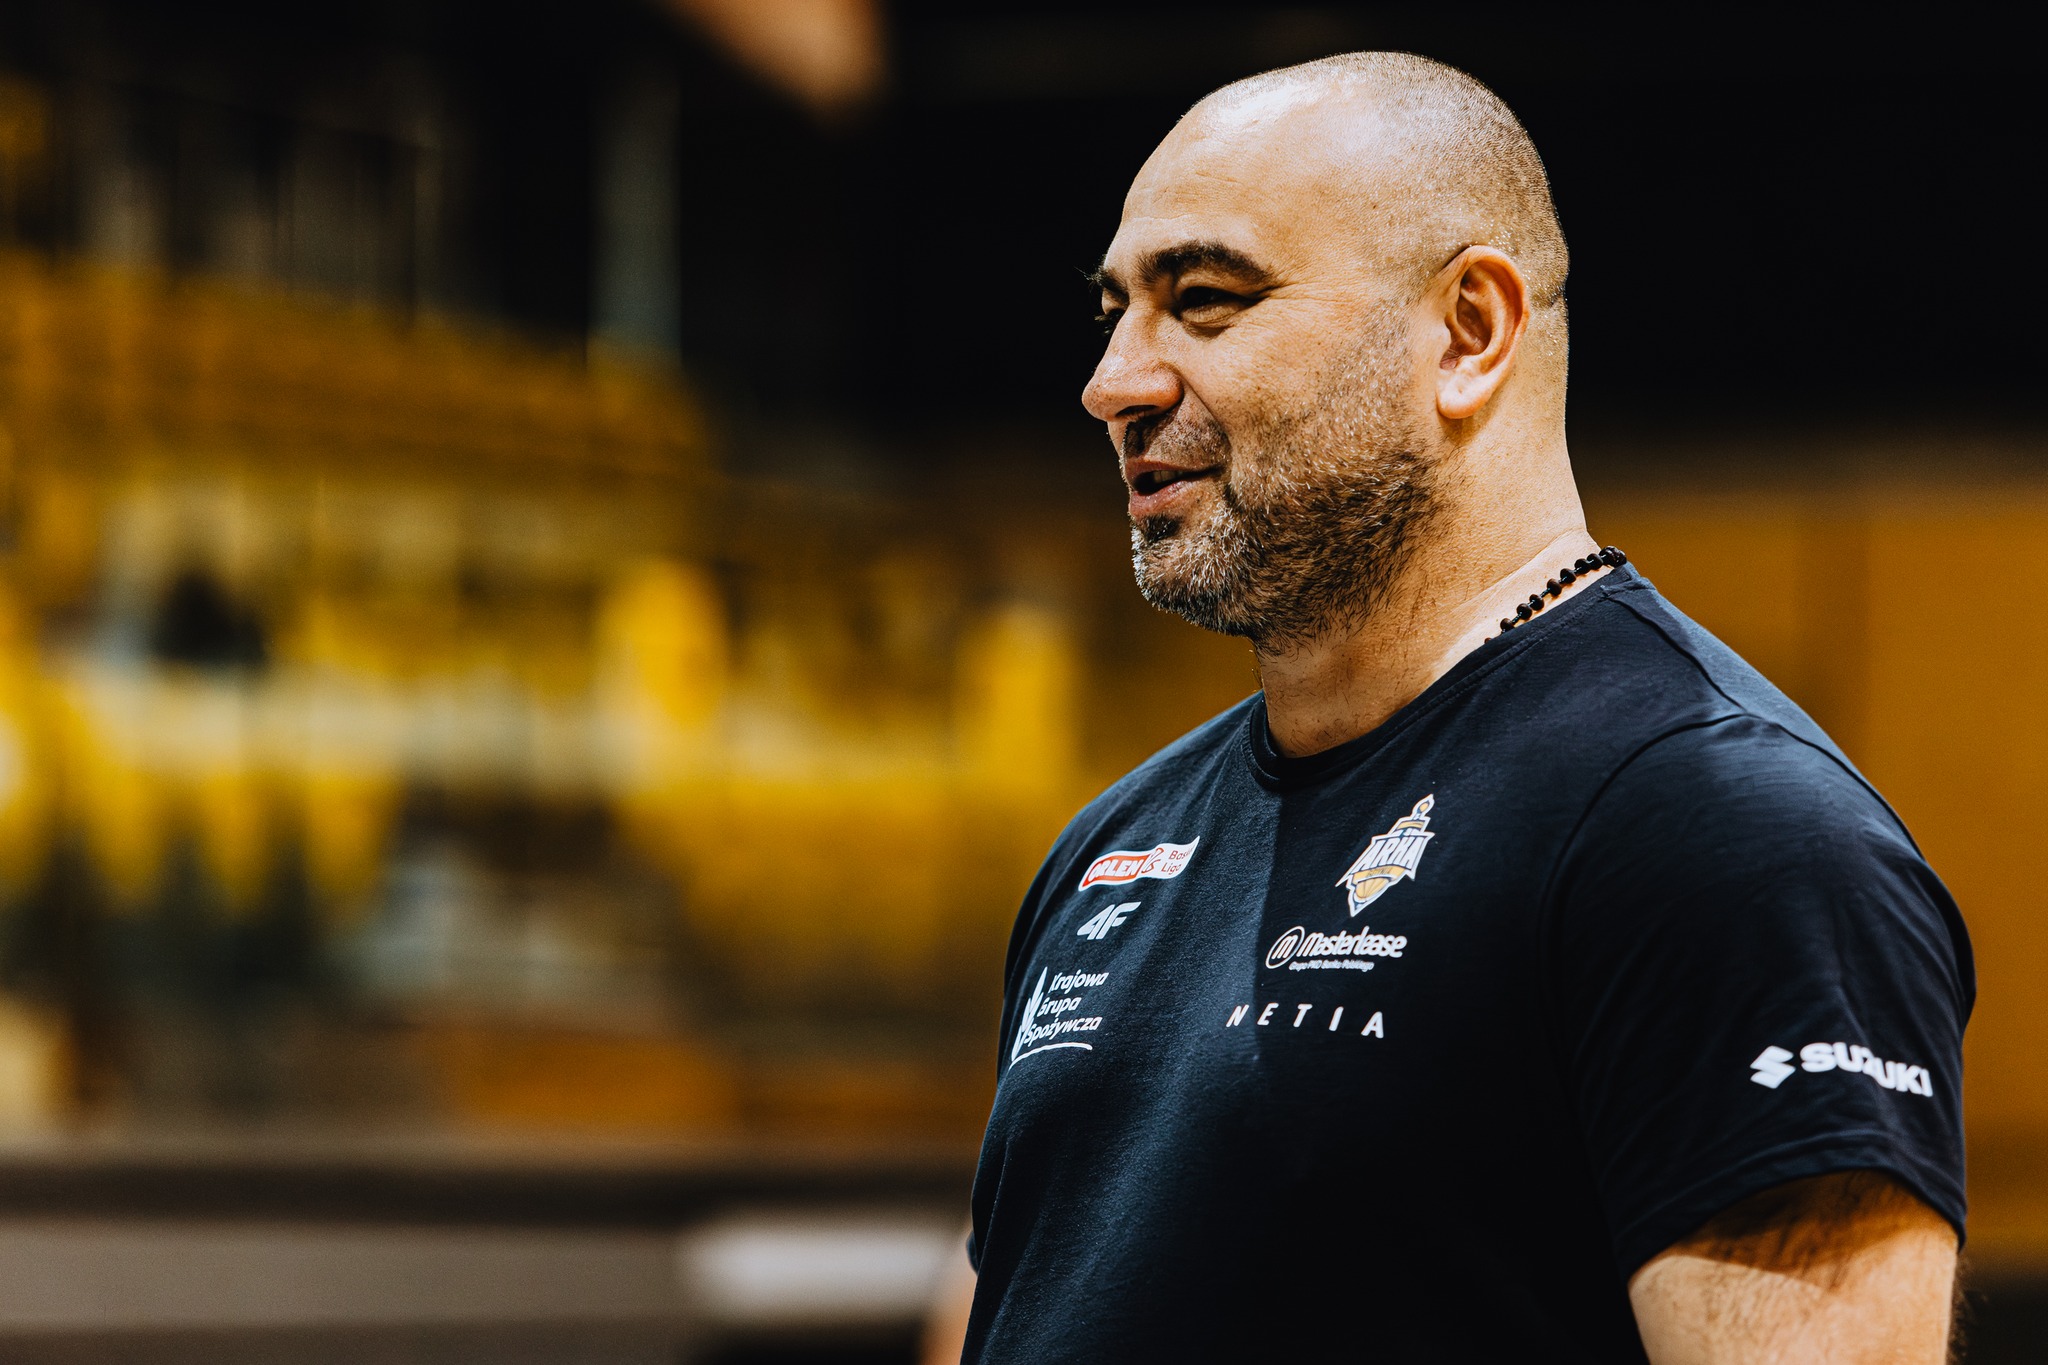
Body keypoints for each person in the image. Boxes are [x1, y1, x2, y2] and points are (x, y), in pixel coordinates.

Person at [932, 51, 1971, 1364]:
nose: (1115, 382)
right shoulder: (1111, 851)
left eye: (1204, 301)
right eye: (1114, 312)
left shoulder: (1721, 831)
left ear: (1469, 332)